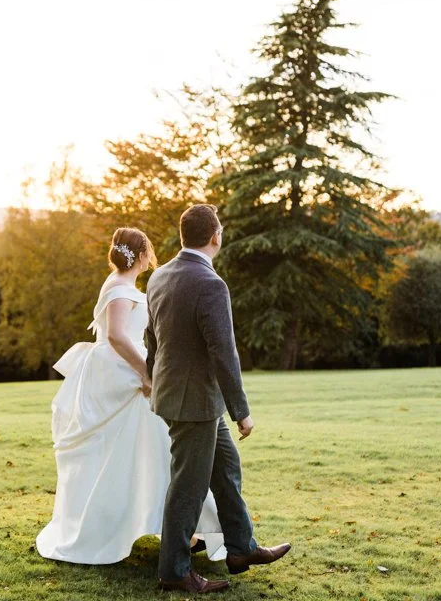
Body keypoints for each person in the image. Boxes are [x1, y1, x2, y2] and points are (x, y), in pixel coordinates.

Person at [36, 227, 227, 565]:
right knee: (143, 452)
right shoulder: (120, 289)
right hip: (121, 376)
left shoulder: (121, 285)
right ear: (141, 255)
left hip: (119, 373)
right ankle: (173, 527)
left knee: (148, 451)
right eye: (148, 251)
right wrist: (146, 372)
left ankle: (184, 527)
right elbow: (117, 337)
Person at [146, 204, 291, 594]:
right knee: (188, 488)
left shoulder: (159, 276)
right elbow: (223, 352)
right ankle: (174, 572)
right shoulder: (212, 284)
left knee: (226, 467)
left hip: (178, 397)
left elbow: (152, 340)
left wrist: (154, 381)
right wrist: (241, 411)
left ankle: (241, 548)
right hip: (194, 403)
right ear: (216, 236)